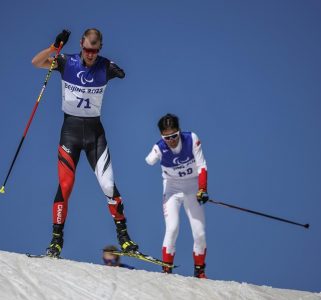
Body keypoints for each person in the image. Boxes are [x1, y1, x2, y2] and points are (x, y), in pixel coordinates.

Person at [31, 28, 138, 257]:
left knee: (108, 185)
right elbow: (36, 62)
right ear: (81, 44)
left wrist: (117, 71)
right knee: (66, 185)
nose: (90, 54)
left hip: (95, 135)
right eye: (88, 49)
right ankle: (56, 240)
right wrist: (53, 47)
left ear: (100, 49)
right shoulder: (65, 61)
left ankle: (124, 237)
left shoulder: (105, 66)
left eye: (95, 50)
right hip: (70, 133)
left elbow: (123, 73)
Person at [145, 114, 209, 279]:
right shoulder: (159, 148)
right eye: (167, 137)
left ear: (179, 131)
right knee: (172, 228)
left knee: (200, 233)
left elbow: (202, 166)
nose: (172, 140)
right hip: (172, 190)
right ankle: (166, 269)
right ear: (162, 136)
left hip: (192, 188)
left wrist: (202, 189)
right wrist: (156, 153)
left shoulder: (191, 139)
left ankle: (200, 271)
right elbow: (148, 160)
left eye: (174, 135)